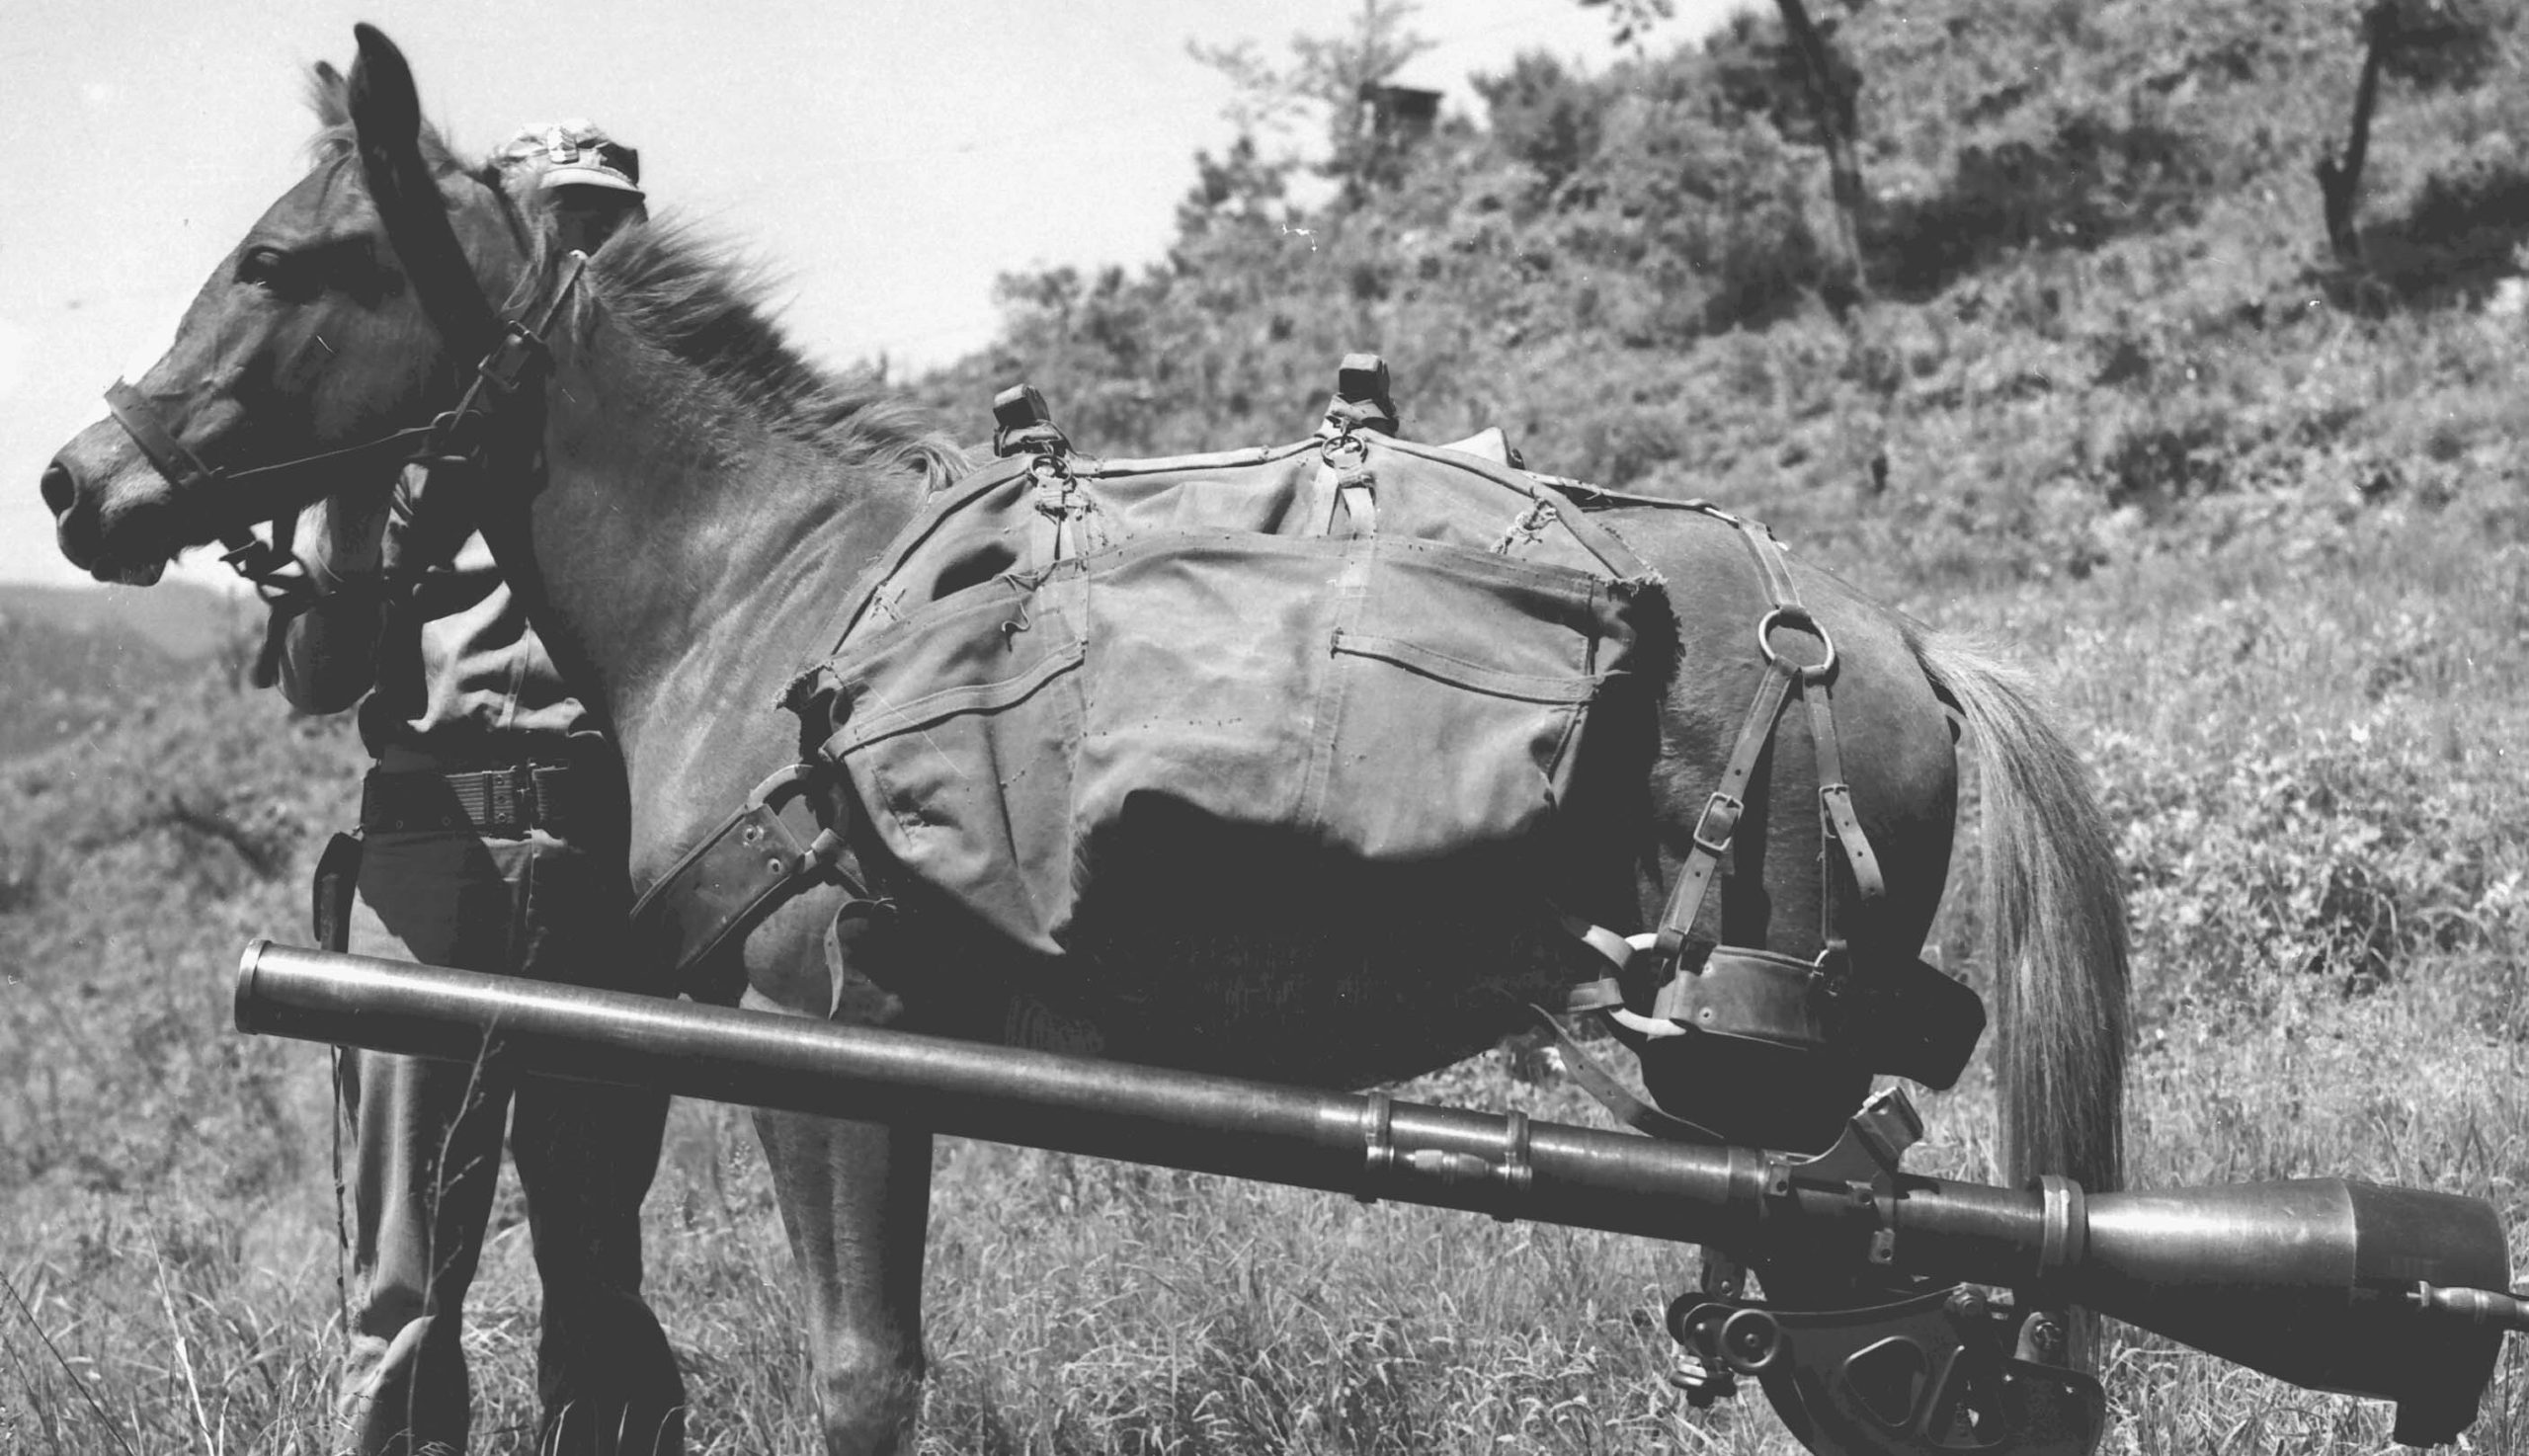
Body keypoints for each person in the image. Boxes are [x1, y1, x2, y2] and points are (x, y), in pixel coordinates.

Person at [277, 122, 682, 1456]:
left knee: (593, 1238)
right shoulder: (393, 425)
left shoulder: (674, 442)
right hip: (430, 843)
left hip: (597, 845)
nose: (578, 249)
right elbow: (319, 677)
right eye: (553, 221)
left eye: (602, 225)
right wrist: (343, 561)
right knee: (403, 1263)